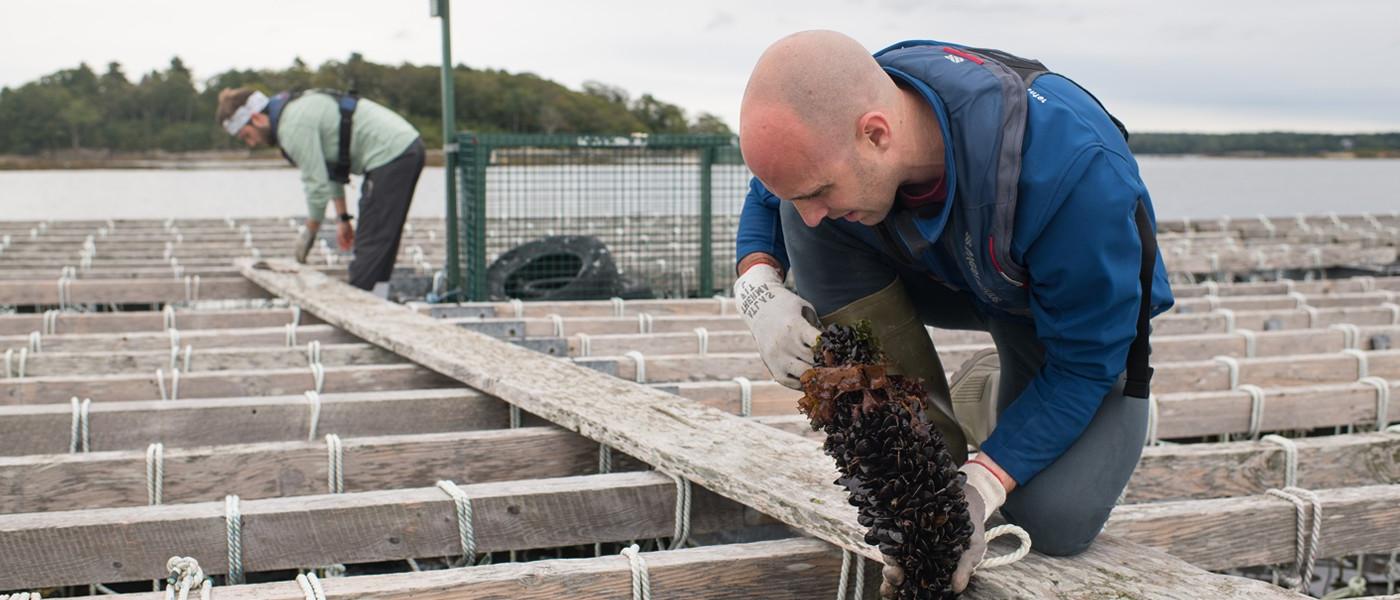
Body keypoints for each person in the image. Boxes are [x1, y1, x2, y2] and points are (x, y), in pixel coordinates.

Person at [732, 31, 1174, 595]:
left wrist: (981, 486)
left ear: (876, 133)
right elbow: (774, 190)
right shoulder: (840, 124)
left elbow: (1086, 363)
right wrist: (758, 283)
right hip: (951, 275)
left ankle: (989, 387)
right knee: (804, 220)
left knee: (1052, 522)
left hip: (1053, 324)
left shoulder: (1077, 171)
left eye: (820, 189)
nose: (815, 212)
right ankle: (924, 456)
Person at [215, 87, 424, 292]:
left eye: (246, 136)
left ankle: (361, 308)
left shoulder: (291, 127)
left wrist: (310, 232)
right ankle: (380, 299)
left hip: (391, 153)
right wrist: (343, 218)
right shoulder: (294, 111)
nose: (251, 143)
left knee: (371, 243)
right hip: (403, 148)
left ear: (257, 119)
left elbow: (316, 185)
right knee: (382, 240)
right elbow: (331, 168)